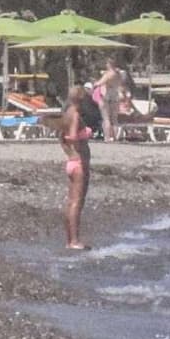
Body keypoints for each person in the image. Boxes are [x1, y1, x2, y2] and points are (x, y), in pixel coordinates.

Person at [62, 94, 95, 250]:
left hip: (71, 162)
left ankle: (69, 240)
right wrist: (81, 138)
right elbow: (73, 137)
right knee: (77, 203)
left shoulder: (66, 115)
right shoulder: (75, 115)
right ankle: (74, 240)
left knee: (71, 202)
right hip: (79, 163)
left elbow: (64, 135)